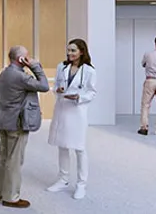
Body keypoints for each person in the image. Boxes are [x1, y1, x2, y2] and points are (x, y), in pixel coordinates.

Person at [0, 45, 49, 209]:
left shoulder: (2, 74)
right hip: (16, 123)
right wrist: (35, 67)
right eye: (27, 56)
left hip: (2, 120)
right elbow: (44, 86)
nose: (29, 58)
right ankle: (11, 197)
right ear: (21, 59)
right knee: (15, 160)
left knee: (2, 158)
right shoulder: (20, 77)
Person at [46, 39, 98, 200]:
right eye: (68, 50)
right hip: (62, 109)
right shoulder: (62, 67)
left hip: (77, 112)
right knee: (62, 146)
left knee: (79, 148)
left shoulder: (89, 71)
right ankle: (63, 179)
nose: (69, 53)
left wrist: (79, 96)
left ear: (82, 52)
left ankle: (81, 184)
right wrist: (59, 89)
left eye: (73, 50)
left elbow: (92, 92)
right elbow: (55, 87)